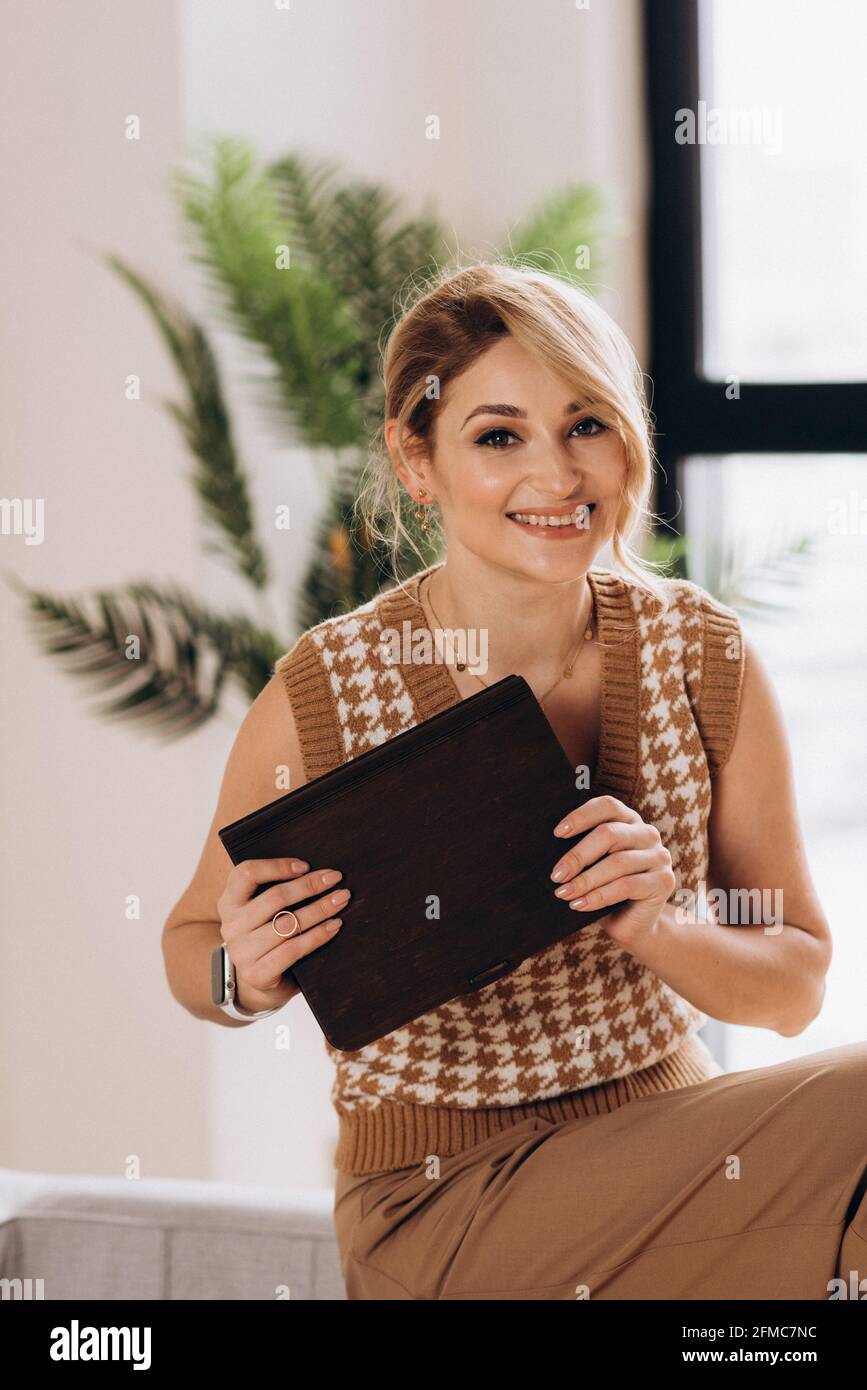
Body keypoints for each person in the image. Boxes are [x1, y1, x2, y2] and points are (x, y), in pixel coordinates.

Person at [162, 261, 867, 1301]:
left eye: (587, 423)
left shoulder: (701, 655)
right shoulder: (329, 688)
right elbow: (193, 947)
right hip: (447, 1204)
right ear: (417, 460)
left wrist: (657, 924)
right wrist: (246, 974)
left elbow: (796, 984)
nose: (559, 474)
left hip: (679, 1153)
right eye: (499, 436)